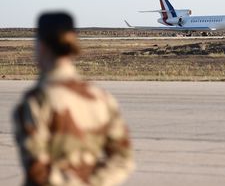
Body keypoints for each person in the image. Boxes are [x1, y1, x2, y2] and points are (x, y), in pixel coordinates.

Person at [13, 12, 134, 186]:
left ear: (42, 46)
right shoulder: (101, 98)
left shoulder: (37, 101)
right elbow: (123, 158)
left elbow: (36, 168)